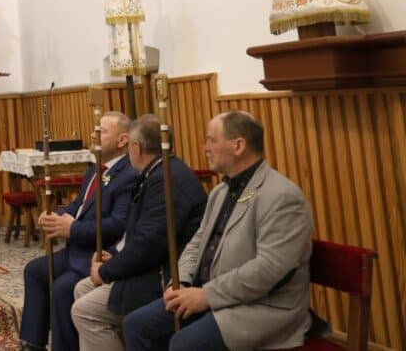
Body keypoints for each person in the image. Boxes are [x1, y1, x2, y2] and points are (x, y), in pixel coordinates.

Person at [122, 111, 313, 351]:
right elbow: (197, 242)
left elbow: (269, 269)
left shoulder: (282, 196)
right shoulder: (220, 192)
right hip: (210, 295)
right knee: (137, 325)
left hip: (261, 307)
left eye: (211, 140)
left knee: (184, 345)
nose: (205, 148)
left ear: (238, 145)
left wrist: (206, 296)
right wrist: (180, 282)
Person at [71, 115, 207, 351]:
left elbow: (151, 243)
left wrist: (107, 270)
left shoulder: (166, 178)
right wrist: (112, 254)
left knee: (85, 311)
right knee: (82, 287)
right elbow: (134, 234)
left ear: (136, 147)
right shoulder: (157, 171)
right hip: (151, 265)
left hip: (163, 274)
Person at [19, 112, 139, 351]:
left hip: (98, 254)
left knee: (63, 288)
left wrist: (72, 229)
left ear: (123, 139)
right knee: (34, 270)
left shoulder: (128, 175)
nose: (94, 135)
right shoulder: (95, 168)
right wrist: (55, 217)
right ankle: (31, 343)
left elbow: (118, 225)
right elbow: (78, 207)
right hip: (76, 250)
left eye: (102, 131)